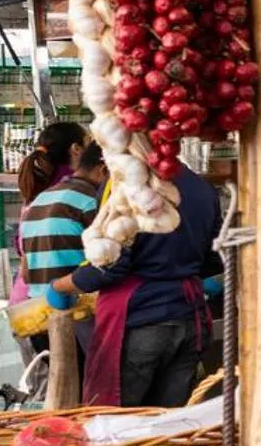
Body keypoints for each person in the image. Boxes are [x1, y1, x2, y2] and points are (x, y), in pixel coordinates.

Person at [51, 166, 221, 407]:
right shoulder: (202, 187)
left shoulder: (124, 183)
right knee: (169, 425)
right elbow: (213, 259)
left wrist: (60, 286)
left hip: (140, 320)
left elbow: (110, 265)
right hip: (189, 320)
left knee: (117, 425)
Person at [13, 121, 89, 303]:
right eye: (90, 143)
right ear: (76, 149)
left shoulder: (39, 185)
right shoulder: (77, 190)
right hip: (63, 299)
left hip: (29, 299)